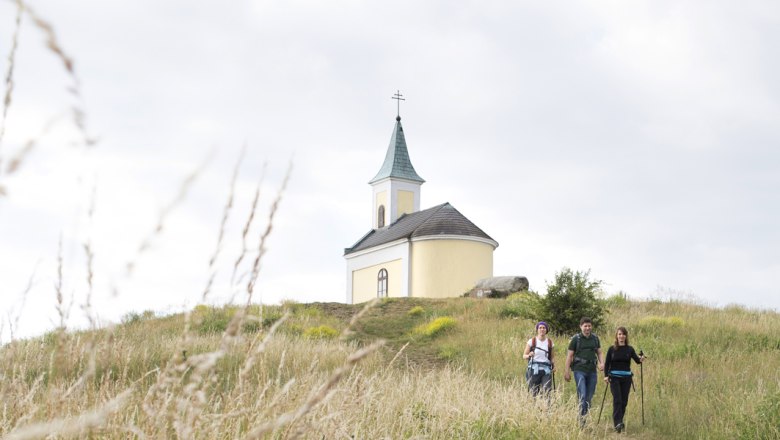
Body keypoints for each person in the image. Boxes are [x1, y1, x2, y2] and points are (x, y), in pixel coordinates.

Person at [604, 326, 645, 433]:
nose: (621, 336)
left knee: (624, 401)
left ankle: (619, 422)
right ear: (616, 336)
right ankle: (617, 423)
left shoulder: (630, 349)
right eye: (619, 334)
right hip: (614, 377)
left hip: (626, 378)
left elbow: (637, 361)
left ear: (626, 336)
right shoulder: (611, 349)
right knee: (617, 399)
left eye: (623, 334)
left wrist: (641, 358)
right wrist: (605, 376)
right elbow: (607, 363)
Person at [564, 317, 604, 426]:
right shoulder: (576, 339)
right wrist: (566, 371)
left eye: (589, 326)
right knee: (582, 394)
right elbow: (570, 355)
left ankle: (583, 418)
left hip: (592, 371)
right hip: (579, 370)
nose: (587, 328)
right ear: (580, 326)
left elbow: (599, 352)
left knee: (589, 397)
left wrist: (602, 363)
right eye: (585, 326)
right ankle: (582, 422)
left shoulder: (595, 338)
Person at [523, 321, 554, 396]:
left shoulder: (550, 342)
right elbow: (524, 355)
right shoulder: (532, 341)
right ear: (537, 330)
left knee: (547, 391)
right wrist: (529, 355)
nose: (542, 329)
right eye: (540, 328)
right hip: (534, 369)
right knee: (533, 392)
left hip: (546, 370)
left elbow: (552, 357)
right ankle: (533, 407)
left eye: (544, 328)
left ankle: (547, 407)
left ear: (546, 330)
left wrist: (554, 366)